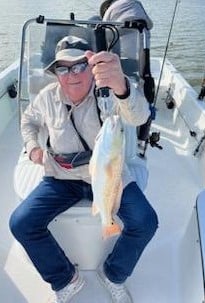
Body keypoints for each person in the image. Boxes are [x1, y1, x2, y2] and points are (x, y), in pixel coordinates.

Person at [9, 35, 158, 303]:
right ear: (55, 72)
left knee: (145, 221)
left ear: (91, 67)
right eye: (63, 68)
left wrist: (122, 86)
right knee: (21, 223)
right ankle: (65, 279)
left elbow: (139, 116)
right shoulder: (46, 97)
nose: (72, 75)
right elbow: (28, 121)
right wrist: (33, 147)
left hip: (108, 175)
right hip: (61, 176)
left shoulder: (108, 93)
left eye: (79, 65)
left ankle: (113, 274)